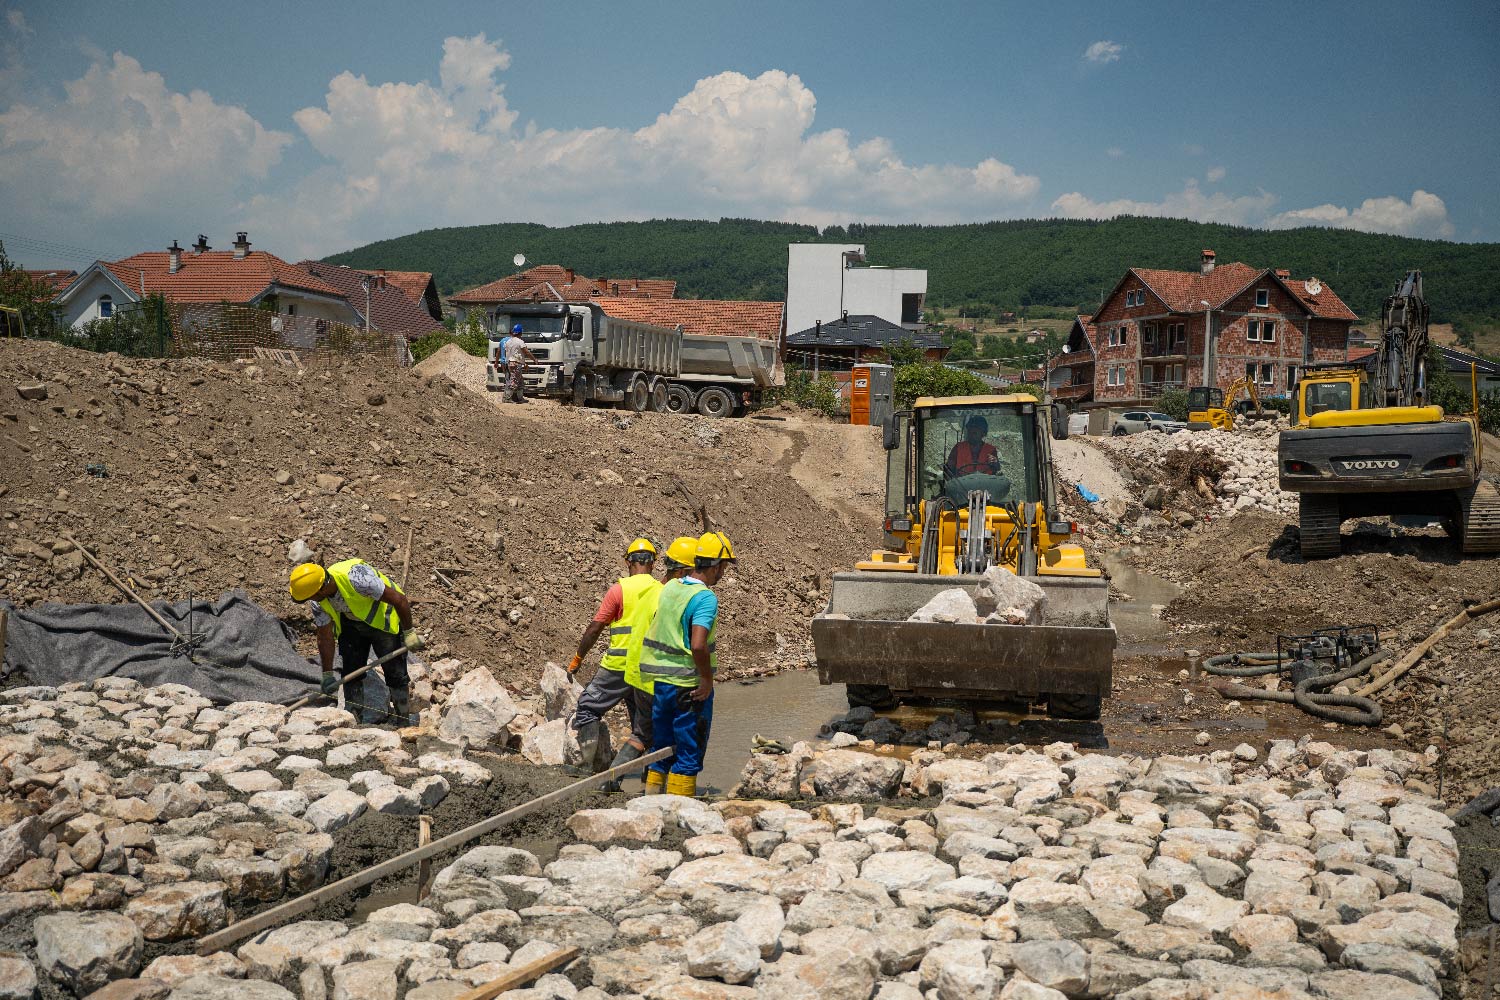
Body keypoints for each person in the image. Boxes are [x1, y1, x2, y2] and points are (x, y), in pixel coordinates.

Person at [640, 531, 736, 797]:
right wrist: (706, 679)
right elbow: (697, 644)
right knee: (687, 753)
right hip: (689, 688)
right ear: (716, 566)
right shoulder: (705, 598)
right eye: (724, 567)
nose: (724, 573)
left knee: (661, 749)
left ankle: (651, 804)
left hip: (663, 684)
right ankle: (680, 815)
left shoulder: (671, 587)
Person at [567, 538, 662, 776]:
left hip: (618, 666)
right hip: (646, 669)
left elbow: (595, 628)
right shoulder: (661, 591)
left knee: (588, 707)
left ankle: (585, 769)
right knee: (643, 727)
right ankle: (648, 779)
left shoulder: (619, 590)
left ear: (629, 562)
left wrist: (578, 658)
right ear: (652, 564)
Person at [290, 559, 415, 725]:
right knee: (350, 673)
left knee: (395, 671)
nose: (310, 600)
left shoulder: (358, 578)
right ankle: (352, 722)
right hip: (351, 623)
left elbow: (399, 600)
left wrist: (409, 632)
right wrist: (327, 674)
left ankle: (403, 722)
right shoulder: (318, 601)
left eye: (310, 597)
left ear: (320, 590)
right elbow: (325, 636)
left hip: (382, 619)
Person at [503, 324, 536, 404]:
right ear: (520, 333)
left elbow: (506, 352)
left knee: (520, 382)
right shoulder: (520, 342)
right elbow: (526, 352)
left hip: (510, 363)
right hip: (516, 364)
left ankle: (520, 398)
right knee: (514, 381)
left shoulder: (508, 341)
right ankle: (507, 398)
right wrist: (534, 359)